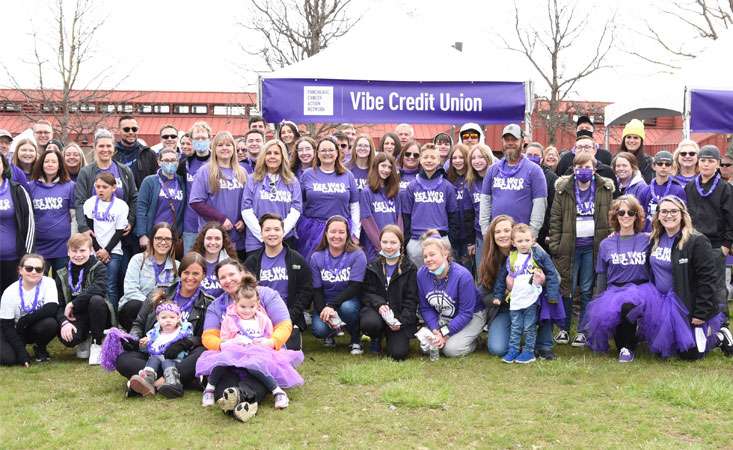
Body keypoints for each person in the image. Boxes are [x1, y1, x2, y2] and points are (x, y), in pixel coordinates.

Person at [632, 195, 733, 358]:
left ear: (682, 214)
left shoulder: (697, 241)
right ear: (658, 215)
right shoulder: (654, 238)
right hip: (660, 302)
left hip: (686, 304)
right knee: (662, 351)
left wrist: (701, 313)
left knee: (690, 355)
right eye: (664, 211)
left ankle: (719, 336)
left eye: (673, 211)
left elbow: (707, 280)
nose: (668, 215)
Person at [200, 259, 294, 423]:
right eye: (223, 277)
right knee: (225, 387)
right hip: (233, 355)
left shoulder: (266, 294)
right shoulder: (216, 306)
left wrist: (271, 342)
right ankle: (241, 404)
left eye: (231, 274)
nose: (228, 280)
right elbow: (208, 336)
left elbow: (284, 325)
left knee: (257, 373)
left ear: (242, 273)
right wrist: (224, 344)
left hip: (264, 353)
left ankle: (242, 398)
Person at [114, 252, 214, 396]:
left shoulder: (208, 302)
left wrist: (185, 343)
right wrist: (134, 339)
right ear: (180, 273)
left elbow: (203, 337)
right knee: (123, 360)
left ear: (203, 275)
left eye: (196, 273)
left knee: (203, 353)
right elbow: (139, 323)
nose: (190, 278)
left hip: (182, 356)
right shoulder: (159, 294)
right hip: (154, 353)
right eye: (186, 272)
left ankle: (152, 382)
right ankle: (178, 379)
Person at [196, 281, 304, 409]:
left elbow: (268, 334)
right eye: (243, 307)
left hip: (257, 351)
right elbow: (225, 337)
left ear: (257, 305)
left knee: (256, 366)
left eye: (251, 307)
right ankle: (209, 389)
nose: (247, 311)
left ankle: (277, 391)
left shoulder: (262, 319)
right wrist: (234, 341)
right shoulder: (230, 319)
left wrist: (265, 341)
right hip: (235, 350)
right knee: (221, 362)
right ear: (235, 304)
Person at [549, 153, 614, 347]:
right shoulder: (563, 189)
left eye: (586, 167)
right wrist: (555, 245)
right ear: (573, 169)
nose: (582, 170)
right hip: (569, 247)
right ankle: (563, 329)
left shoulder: (605, 188)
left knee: (587, 289)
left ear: (594, 169)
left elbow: (611, 215)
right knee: (566, 288)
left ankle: (583, 331)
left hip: (592, 247)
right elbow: (555, 219)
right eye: (578, 167)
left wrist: (610, 237)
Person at [582, 196, 651, 362]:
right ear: (615, 216)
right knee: (615, 309)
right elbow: (601, 274)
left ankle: (628, 348)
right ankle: (625, 344)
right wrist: (599, 300)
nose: (626, 216)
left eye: (631, 212)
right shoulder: (606, 244)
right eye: (621, 212)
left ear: (637, 216)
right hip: (615, 289)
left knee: (628, 306)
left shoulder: (647, 240)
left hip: (640, 288)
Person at [492, 223, 561, 364]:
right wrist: (498, 296)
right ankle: (513, 350)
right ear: (513, 243)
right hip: (516, 299)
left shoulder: (538, 255)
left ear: (533, 240)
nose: (523, 244)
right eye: (519, 241)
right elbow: (501, 278)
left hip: (532, 298)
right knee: (516, 326)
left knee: (529, 326)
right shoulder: (511, 258)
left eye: (527, 240)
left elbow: (552, 274)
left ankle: (529, 352)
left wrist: (552, 295)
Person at [244, 213, 312, 350]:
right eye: (267, 230)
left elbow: (306, 290)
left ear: (283, 232)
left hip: (288, 317)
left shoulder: (296, 259)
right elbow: (244, 292)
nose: (272, 233)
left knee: (287, 354)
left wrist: (290, 316)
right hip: (257, 319)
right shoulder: (252, 261)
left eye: (276, 229)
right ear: (261, 234)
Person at [74, 128, 137, 271]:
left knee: (118, 277)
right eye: (101, 146)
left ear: (114, 148)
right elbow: (80, 201)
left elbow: (134, 197)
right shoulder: (86, 172)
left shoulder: (124, 171)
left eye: (108, 146)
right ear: (95, 148)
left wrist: (131, 221)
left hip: (119, 235)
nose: (105, 149)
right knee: (95, 276)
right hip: (95, 235)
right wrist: (83, 227)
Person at [418, 230, 486, 357]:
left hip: (472, 315)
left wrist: (444, 333)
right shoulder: (422, 274)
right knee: (427, 347)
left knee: (451, 350)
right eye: (425, 256)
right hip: (446, 315)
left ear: (445, 254)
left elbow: (466, 313)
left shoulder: (462, 276)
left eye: (432, 254)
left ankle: (475, 340)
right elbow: (425, 308)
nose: (428, 259)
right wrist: (435, 330)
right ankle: (457, 337)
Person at [685, 145, 733, 323]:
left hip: (715, 245)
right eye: (703, 160)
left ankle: (722, 324)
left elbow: (731, 219)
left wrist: (726, 246)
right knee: (695, 284)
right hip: (693, 243)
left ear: (718, 164)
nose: (706, 164)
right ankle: (700, 319)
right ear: (698, 162)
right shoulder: (690, 187)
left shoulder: (725, 189)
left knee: (717, 286)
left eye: (711, 161)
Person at [309, 216, 367, 353]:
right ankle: (330, 333)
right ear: (326, 233)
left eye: (341, 232)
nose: (337, 236)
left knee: (347, 308)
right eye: (333, 231)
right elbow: (316, 290)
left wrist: (332, 306)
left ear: (347, 234)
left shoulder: (358, 255)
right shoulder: (316, 257)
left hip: (349, 300)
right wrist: (324, 309)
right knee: (319, 329)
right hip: (326, 301)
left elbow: (355, 287)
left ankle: (355, 338)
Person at [296, 137, 360, 260]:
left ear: (337, 153)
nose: (327, 153)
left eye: (331, 150)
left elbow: (354, 206)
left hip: (340, 229)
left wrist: (356, 233)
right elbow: (299, 204)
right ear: (317, 154)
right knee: (312, 266)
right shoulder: (308, 175)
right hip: (312, 229)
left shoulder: (348, 175)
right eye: (323, 150)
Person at [479, 124, 547, 238]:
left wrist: (531, 234)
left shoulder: (534, 171)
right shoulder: (493, 170)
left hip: (522, 238)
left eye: (514, 139)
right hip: (497, 236)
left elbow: (539, 206)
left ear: (522, 141)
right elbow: (485, 202)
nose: (510, 143)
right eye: (507, 140)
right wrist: (486, 231)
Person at [361, 225, 418, 360]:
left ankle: (392, 337)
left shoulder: (410, 268)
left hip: (398, 317)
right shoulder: (372, 266)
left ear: (400, 244)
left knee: (398, 354)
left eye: (393, 242)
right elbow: (366, 293)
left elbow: (412, 299)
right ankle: (376, 337)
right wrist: (379, 304)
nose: (389, 246)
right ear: (380, 243)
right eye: (385, 242)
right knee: (369, 323)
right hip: (377, 312)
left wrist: (401, 322)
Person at [189, 131, 248, 258]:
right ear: (214, 148)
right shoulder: (205, 171)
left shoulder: (242, 172)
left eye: (228, 145)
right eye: (220, 145)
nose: (225, 148)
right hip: (212, 237)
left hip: (237, 237)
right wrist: (221, 219)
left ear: (234, 148)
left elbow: (248, 202)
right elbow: (196, 202)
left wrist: (243, 220)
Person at [56, 233, 110, 365]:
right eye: (74, 251)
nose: (78, 255)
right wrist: (64, 323)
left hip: (98, 313)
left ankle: (97, 343)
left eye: (82, 250)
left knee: (96, 300)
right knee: (69, 339)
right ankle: (84, 338)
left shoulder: (99, 267)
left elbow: (99, 288)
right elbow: (58, 303)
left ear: (91, 251)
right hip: (76, 317)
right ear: (68, 252)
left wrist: (73, 303)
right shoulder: (62, 272)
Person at [241, 139, 302, 254]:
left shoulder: (292, 181)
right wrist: (263, 235)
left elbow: (296, 210)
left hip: (285, 239)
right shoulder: (252, 179)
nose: (272, 156)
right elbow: (246, 209)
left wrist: (279, 234)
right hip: (256, 241)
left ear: (283, 157)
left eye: (276, 153)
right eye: (268, 153)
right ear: (263, 156)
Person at [402, 143, 459, 266]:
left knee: (441, 277)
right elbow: (406, 216)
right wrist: (407, 241)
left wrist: (450, 240)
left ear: (439, 160)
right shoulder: (412, 186)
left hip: (441, 239)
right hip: (416, 240)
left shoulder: (447, 186)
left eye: (433, 158)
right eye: (426, 157)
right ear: (420, 160)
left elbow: (453, 215)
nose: (429, 160)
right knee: (417, 279)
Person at [118, 223, 179, 330]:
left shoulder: (177, 266)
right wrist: (151, 305)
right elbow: (130, 290)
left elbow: (177, 294)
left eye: (168, 239)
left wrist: (162, 308)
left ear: (172, 242)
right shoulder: (138, 260)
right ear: (151, 240)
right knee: (133, 306)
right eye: (158, 238)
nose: (163, 242)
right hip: (137, 308)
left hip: (164, 313)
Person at [83, 172, 129, 311]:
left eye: (104, 187)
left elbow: (119, 231)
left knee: (110, 286)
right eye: (98, 187)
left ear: (113, 188)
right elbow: (90, 230)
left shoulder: (121, 206)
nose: (100, 190)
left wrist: (106, 250)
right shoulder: (90, 203)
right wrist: (98, 250)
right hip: (94, 251)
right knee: (92, 284)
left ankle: (113, 320)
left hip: (113, 251)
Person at [0, 254, 58, 365]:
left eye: (38, 269)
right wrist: (22, 353)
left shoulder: (49, 283)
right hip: (12, 329)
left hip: (29, 327)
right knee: (8, 359)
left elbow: (52, 308)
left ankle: (40, 348)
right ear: (20, 270)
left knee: (51, 323)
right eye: (29, 268)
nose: (34, 272)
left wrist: (25, 320)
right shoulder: (10, 292)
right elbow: (7, 326)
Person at [126, 302, 193, 397]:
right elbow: (148, 347)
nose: (168, 320)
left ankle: (173, 382)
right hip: (157, 357)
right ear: (158, 319)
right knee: (153, 359)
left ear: (178, 318)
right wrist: (143, 343)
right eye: (164, 318)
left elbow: (190, 341)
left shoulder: (182, 331)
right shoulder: (154, 333)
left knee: (167, 362)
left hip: (175, 359)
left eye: (172, 317)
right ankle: (147, 379)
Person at [28, 147, 75, 273]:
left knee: (63, 285)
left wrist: (73, 241)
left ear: (60, 165)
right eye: (47, 161)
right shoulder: (30, 187)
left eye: (54, 162)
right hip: (38, 246)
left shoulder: (70, 186)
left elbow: (74, 216)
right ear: (41, 164)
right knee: (37, 283)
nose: (50, 164)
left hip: (63, 247)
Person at [135, 148, 186, 250]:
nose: (170, 163)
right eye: (166, 160)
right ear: (159, 162)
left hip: (172, 236)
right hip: (152, 235)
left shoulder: (181, 181)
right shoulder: (150, 181)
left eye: (173, 160)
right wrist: (142, 234)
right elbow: (141, 209)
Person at [0, 153, 35, 292]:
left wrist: (27, 256)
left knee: (12, 302)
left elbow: (30, 224)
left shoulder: (17, 190)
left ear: (4, 166)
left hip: (14, 259)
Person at [359, 152, 402, 261]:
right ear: (376, 166)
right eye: (383, 166)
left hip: (393, 247)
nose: (386, 170)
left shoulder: (394, 192)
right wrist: (381, 246)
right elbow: (366, 220)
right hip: (374, 248)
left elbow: (399, 219)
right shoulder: (366, 192)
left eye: (389, 167)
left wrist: (398, 242)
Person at [179, 121, 212, 253]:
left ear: (210, 139)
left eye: (203, 138)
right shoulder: (185, 164)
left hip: (212, 222)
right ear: (191, 141)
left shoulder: (218, 162)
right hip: (190, 224)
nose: (200, 141)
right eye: (197, 138)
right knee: (191, 264)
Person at [637, 151, 686, 231]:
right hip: (648, 234)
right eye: (660, 164)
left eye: (667, 164)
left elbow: (683, 216)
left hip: (670, 234)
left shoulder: (678, 190)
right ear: (653, 166)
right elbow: (640, 216)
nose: (663, 167)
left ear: (672, 167)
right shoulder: (645, 190)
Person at [445, 143, 474, 270]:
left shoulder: (472, 179)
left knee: (468, 271)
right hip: (452, 235)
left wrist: (471, 240)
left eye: (461, 157)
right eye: (454, 158)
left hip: (469, 235)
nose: (457, 161)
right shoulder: (447, 179)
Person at [525, 142, 558, 251]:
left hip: (542, 231)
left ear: (542, 158)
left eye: (536, 156)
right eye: (529, 155)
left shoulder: (551, 178)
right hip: (521, 228)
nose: (532, 158)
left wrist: (550, 232)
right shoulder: (517, 173)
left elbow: (554, 208)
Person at [192, 222, 237, 298]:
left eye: (217, 239)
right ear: (203, 240)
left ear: (223, 241)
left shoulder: (232, 265)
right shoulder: (193, 262)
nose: (213, 242)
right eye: (209, 238)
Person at [466, 144, 494, 269]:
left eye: (481, 157)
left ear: (488, 158)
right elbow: (470, 214)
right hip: (480, 236)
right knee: (482, 273)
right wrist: (471, 241)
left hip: (498, 233)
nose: (477, 161)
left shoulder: (497, 178)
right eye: (473, 158)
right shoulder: (471, 183)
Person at [114, 115, 158, 188]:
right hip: (118, 197)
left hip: (141, 197)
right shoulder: (112, 153)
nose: (131, 132)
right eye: (126, 129)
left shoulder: (149, 154)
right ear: (119, 131)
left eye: (134, 129)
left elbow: (155, 181)